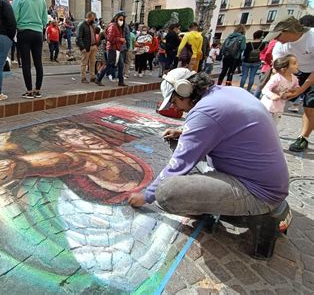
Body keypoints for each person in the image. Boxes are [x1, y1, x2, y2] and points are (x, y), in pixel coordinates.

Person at [128, 68, 290, 255]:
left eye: (174, 101)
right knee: (180, 144)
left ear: (185, 90)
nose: (176, 108)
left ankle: (204, 207)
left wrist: (147, 195)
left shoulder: (206, 112)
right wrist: (184, 133)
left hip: (257, 192)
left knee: (166, 192)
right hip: (262, 178)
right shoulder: (226, 92)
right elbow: (224, 125)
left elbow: (179, 163)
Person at [267, 16, 314, 152]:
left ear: (289, 31)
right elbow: (277, 68)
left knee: (310, 105)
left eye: (278, 35)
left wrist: (301, 89)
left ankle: (303, 138)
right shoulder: (280, 45)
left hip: (312, 71)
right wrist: (279, 86)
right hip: (296, 71)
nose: (275, 39)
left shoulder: (312, 38)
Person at [12, 0, 48, 99]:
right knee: (38, 62)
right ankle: (38, 90)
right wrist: (39, 26)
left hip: (24, 32)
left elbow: (14, 16)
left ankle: (29, 90)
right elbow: (45, 20)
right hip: (38, 33)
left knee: (26, 63)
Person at [260, 54, 299, 131]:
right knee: (263, 125)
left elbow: (296, 88)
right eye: (294, 63)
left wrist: (292, 93)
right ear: (284, 69)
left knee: (273, 126)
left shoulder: (294, 79)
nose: (297, 65)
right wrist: (272, 95)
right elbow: (265, 89)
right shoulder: (276, 78)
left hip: (279, 108)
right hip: (268, 106)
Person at [95, 12, 127, 87]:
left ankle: (120, 81)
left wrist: (121, 40)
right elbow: (110, 38)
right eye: (121, 19)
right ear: (116, 18)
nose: (122, 21)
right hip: (112, 49)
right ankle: (98, 79)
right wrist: (120, 39)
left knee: (120, 65)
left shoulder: (117, 27)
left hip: (116, 49)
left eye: (123, 19)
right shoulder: (113, 26)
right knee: (109, 64)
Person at [76, 11, 98, 83]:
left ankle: (92, 77)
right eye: (92, 18)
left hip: (93, 46)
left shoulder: (92, 25)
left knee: (93, 63)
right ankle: (83, 78)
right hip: (86, 47)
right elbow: (79, 38)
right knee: (84, 63)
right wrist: (82, 48)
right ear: (88, 17)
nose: (93, 20)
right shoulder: (81, 25)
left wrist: (96, 45)